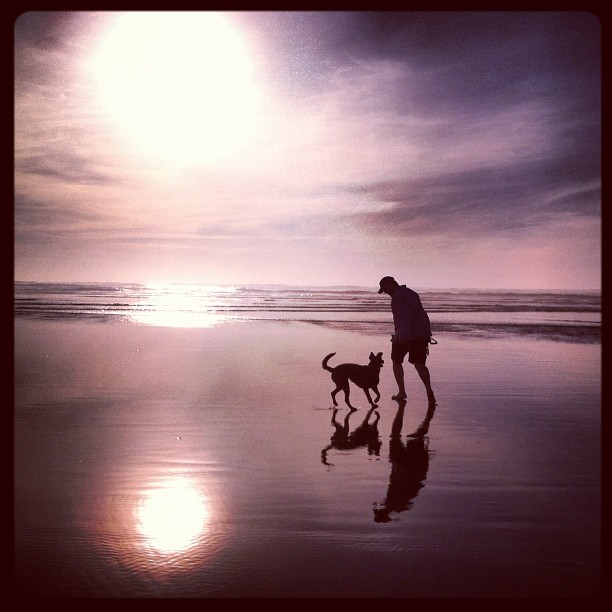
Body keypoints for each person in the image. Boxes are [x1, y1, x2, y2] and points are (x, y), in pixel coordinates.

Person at [377, 276, 436, 405]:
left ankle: (402, 392)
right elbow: (418, 314)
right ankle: (428, 389)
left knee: (396, 360)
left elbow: (404, 318)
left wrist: (400, 337)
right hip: (422, 333)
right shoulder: (411, 293)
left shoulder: (397, 298)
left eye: (385, 289)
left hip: (407, 335)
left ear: (391, 285)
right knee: (420, 364)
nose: (386, 292)